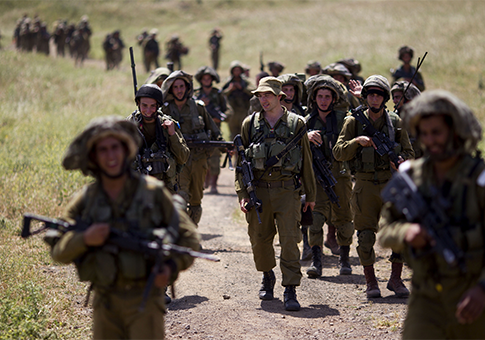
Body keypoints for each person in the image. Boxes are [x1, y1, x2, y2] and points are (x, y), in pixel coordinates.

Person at [51, 116, 200, 340]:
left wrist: (169, 268)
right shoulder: (87, 199)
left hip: (146, 300)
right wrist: (84, 239)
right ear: (93, 156)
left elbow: (189, 240)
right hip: (104, 302)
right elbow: (58, 252)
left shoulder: (153, 192)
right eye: (103, 150)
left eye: (115, 148)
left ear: (126, 150)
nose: (110, 156)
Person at [379, 90, 485, 339]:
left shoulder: (478, 179)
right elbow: (384, 232)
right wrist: (407, 231)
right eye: (424, 134)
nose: (430, 140)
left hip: (473, 296)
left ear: (455, 131)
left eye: (436, 132)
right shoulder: (410, 177)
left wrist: (482, 289)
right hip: (426, 299)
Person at [235, 77, 316, 311]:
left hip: (288, 190)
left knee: (290, 240)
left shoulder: (296, 123)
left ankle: (290, 288)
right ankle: (267, 275)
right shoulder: (249, 124)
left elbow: (307, 163)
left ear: (280, 97)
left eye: (268, 95)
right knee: (259, 239)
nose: (264, 99)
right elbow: (242, 164)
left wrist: (310, 195)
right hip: (258, 190)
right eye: (260, 95)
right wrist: (242, 192)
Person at [333, 75, 414, 298]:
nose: (375, 98)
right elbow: (338, 152)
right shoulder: (354, 121)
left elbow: (409, 153)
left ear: (385, 98)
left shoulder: (396, 122)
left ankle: (396, 279)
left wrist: (400, 162)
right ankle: (371, 282)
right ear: (366, 96)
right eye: (371, 94)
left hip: (392, 184)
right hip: (365, 184)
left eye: (379, 94)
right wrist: (356, 142)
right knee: (366, 235)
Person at [304, 75, 355, 277]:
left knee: (344, 218)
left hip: (340, 177)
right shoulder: (307, 122)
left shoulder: (344, 119)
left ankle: (344, 258)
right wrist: (304, 137)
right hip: (316, 180)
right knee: (315, 221)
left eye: (327, 96)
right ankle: (317, 261)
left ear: (334, 99)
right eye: (320, 96)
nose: (323, 100)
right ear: (314, 99)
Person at [161, 71, 223, 225]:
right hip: (177, 162)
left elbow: (214, 130)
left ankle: (192, 233)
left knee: (196, 200)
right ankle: (181, 234)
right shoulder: (166, 110)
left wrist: (224, 146)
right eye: (175, 87)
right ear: (171, 90)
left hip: (198, 160)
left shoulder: (198, 107)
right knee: (180, 198)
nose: (179, 90)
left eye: (182, 86)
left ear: (187, 88)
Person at [127, 84, 189, 194]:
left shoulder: (167, 124)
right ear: (138, 104)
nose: (148, 110)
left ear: (158, 106)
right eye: (144, 105)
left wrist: (172, 134)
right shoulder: (129, 125)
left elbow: (183, 157)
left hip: (164, 188)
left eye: (152, 106)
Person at [194, 66, 228, 194]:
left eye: (209, 78)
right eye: (204, 78)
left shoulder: (218, 94)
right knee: (202, 158)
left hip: (215, 131)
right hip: (200, 131)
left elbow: (228, 110)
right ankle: (204, 180)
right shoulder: (196, 94)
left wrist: (221, 119)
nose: (207, 81)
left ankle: (214, 184)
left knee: (215, 158)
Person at [222, 60, 253, 139]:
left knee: (245, 133)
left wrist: (242, 88)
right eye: (235, 70)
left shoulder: (245, 81)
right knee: (233, 134)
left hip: (244, 111)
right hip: (233, 111)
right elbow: (221, 94)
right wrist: (230, 89)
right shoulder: (228, 81)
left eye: (238, 70)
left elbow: (253, 91)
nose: (237, 72)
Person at [391, 80, 423, 158]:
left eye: (398, 97)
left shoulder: (420, 119)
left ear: (408, 98)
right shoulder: (395, 117)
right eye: (393, 98)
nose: (394, 101)